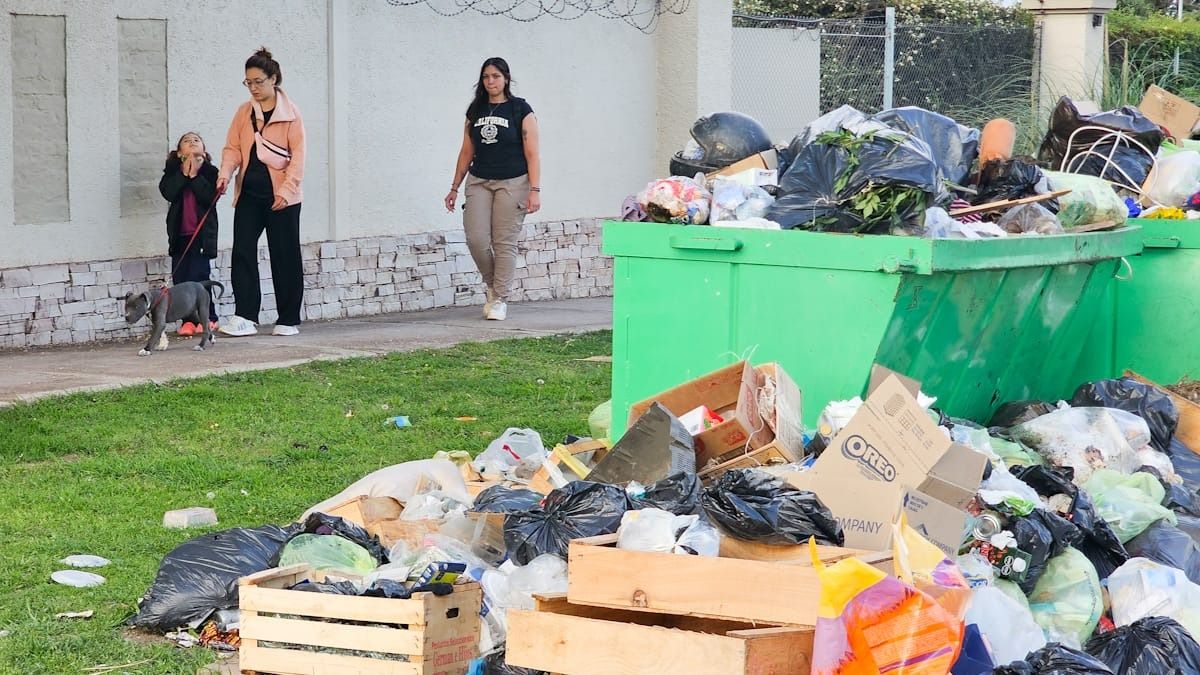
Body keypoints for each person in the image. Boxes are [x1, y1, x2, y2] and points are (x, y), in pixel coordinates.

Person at [216, 47, 306, 337]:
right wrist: (225, 175)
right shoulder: (244, 113)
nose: (253, 88)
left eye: (258, 81)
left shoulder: (291, 114)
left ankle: (288, 318)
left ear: (274, 79)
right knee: (242, 250)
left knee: (285, 255)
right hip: (250, 195)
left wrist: (287, 191)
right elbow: (232, 148)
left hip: (282, 198)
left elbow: (299, 156)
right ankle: (245, 316)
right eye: (248, 82)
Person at [444, 57, 541, 321]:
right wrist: (454, 187)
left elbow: (532, 154)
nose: (491, 81)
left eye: (496, 76)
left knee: (504, 242)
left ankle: (499, 298)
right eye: (486, 77)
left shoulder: (521, 110)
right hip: (479, 180)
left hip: (513, 182)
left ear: (506, 79)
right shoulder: (475, 111)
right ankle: (492, 286)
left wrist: (535, 190)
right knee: (476, 239)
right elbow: (466, 151)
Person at [158, 131, 220, 336]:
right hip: (180, 235)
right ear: (178, 152)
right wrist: (184, 174)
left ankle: (208, 318)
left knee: (200, 278)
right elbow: (169, 192)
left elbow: (209, 197)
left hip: (201, 236)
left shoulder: (211, 172)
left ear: (204, 149)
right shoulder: (172, 173)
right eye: (186, 140)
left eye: (196, 140)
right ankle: (188, 321)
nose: (192, 142)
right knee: (182, 280)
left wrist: (195, 176)